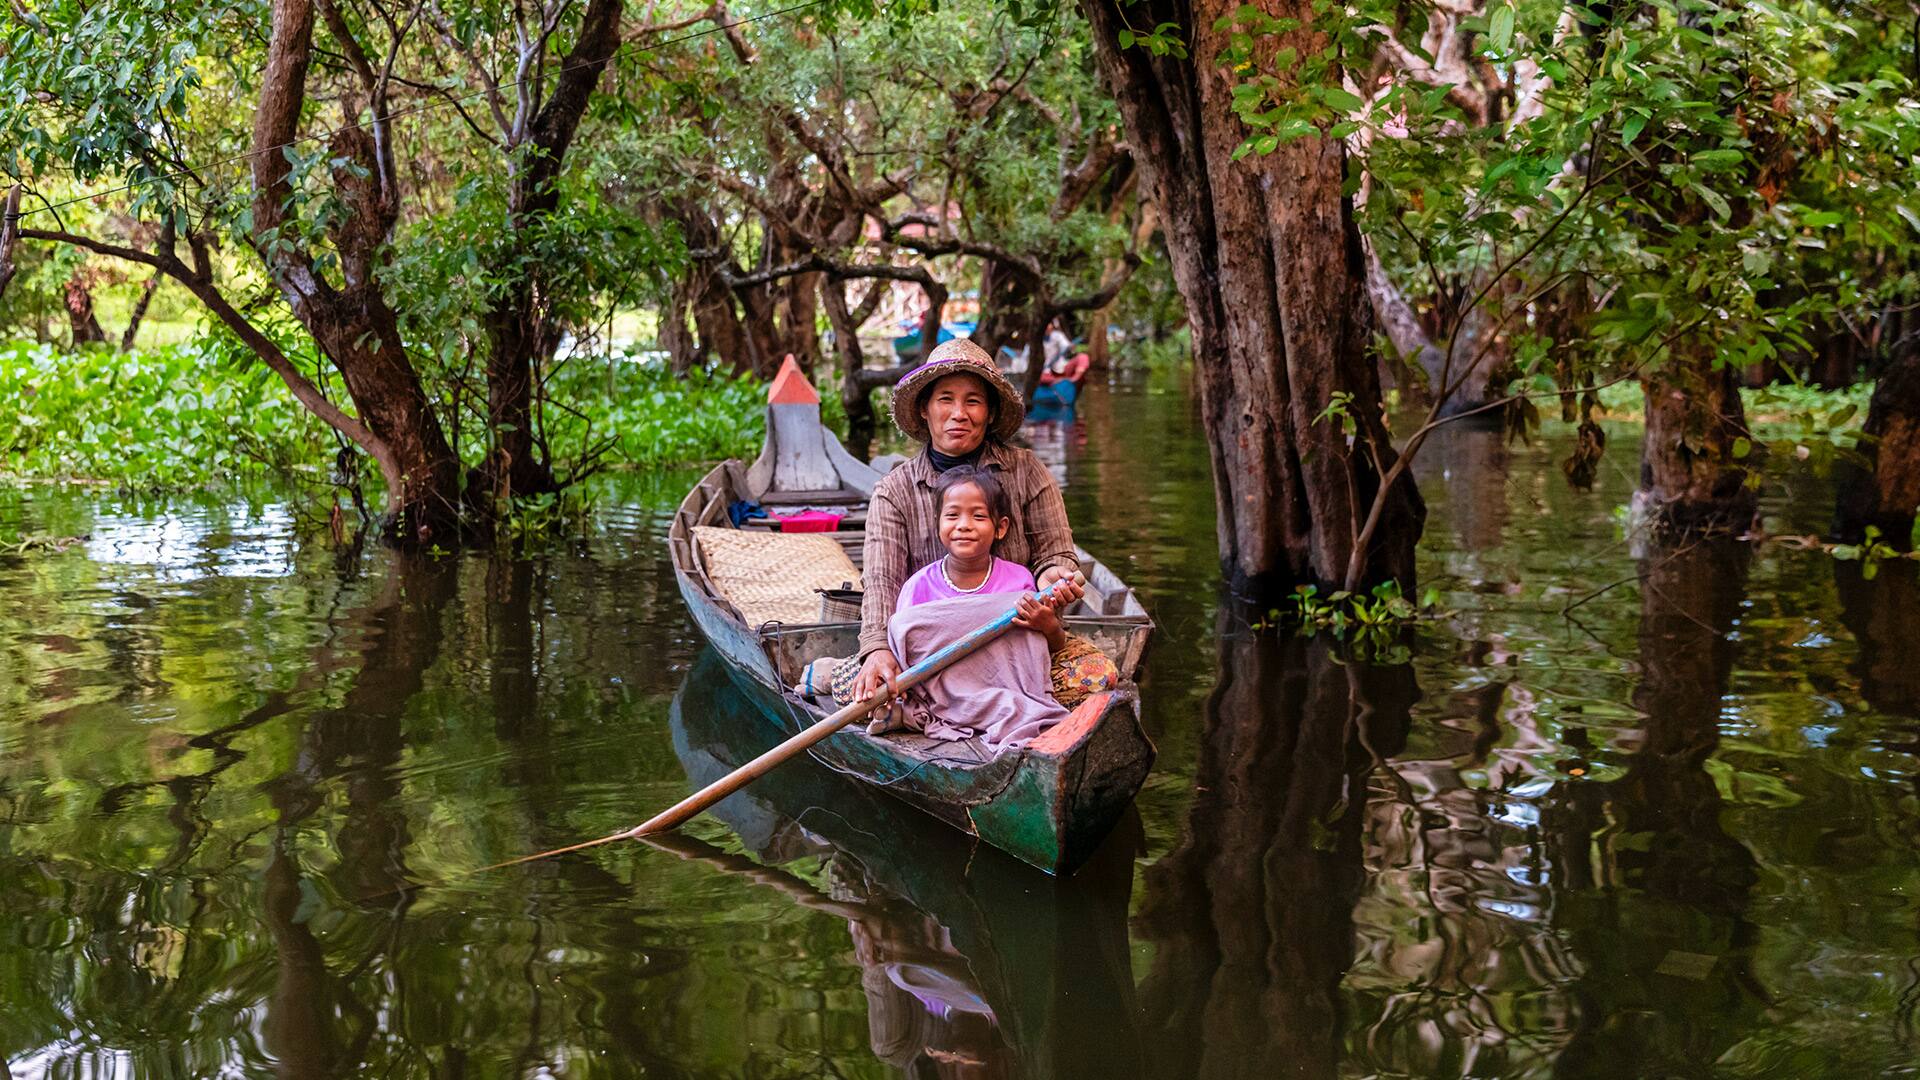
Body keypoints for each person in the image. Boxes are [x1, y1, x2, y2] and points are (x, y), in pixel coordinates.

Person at [851, 338, 1084, 704]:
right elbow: (883, 582)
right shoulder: (894, 491)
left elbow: (1057, 556)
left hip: (1017, 650)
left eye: (972, 400)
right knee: (859, 692)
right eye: (946, 399)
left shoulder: (1027, 472)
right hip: (931, 661)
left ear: (990, 413)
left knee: (1097, 678)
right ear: (925, 409)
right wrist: (878, 648)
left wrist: (1054, 578)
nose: (959, 413)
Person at [895, 465, 1074, 652]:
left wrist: (1049, 626)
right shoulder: (918, 587)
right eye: (952, 515)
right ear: (938, 523)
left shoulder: (1020, 581)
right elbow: (904, 650)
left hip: (1006, 680)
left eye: (979, 516)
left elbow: (1047, 646)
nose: (964, 525)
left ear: (1001, 528)